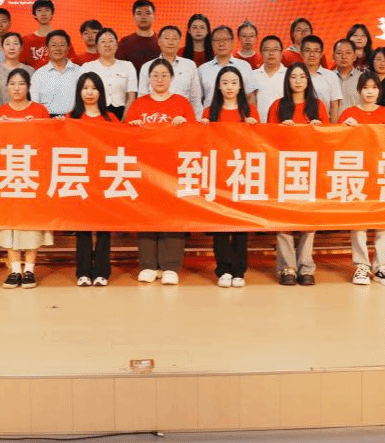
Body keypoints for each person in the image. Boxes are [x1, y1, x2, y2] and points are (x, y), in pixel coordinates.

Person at [126, 58, 196, 285]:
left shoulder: (181, 103)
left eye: (164, 75)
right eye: (155, 75)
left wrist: (185, 125)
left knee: (172, 216)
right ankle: (148, 265)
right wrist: (133, 128)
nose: (159, 79)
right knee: (146, 216)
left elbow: (195, 136)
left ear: (172, 78)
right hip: (145, 170)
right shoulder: (139, 105)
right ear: (149, 78)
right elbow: (124, 137)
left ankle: (170, 266)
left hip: (173, 169)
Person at [0, 69, 53, 288]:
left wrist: (36, 127)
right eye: (12, 84)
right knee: (9, 222)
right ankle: (15, 269)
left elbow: (49, 141)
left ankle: (30, 270)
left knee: (31, 222)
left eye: (21, 84)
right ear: (7, 87)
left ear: (29, 87)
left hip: (32, 174)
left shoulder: (39, 110)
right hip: (8, 174)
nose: (17, 88)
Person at [267, 63, 328, 286]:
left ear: (308, 80)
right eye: (294, 77)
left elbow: (329, 138)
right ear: (287, 80)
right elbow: (266, 139)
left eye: (302, 76)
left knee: (308, 221)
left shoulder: (317, 106)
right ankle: (287, 267)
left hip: (310, 170)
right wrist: (281, 130)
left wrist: (318, 128)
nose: (299, 81)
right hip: (283, 169)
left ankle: (306, 267)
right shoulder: (277, 105)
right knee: (284, 220)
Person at [341, 72, 385, 286]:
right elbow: (336, 142)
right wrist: (343, 127)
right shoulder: (349, 113)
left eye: (374, 88)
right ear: (359, 90)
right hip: (358, 173)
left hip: (381, 172)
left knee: (384, 219)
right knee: (359, 220)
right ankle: (362, 266)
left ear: (379, 91)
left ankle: (382, 265)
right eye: (365, 87)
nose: (369, 92)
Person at [200, 66, 257, 288]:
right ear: (218, 87)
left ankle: (239, 270)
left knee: (240, 225)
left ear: (240, 86)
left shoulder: (249, 111)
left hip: (242, 173)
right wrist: (202, 128)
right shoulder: (209, 112)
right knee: (220, 225)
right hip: (218, 174)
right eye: (225, 83)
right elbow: (202, 142)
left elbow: (259, 143)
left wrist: (254, 128)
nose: (229, 87)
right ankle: (223, 269)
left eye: (234, 82)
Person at [68, 72, 118, 286]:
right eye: (85, 88)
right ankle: (83, 271)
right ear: (79, 92)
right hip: (80, 179)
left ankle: (101, 271)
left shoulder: (110, 118)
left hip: (104, 180)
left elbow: (121, 145)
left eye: (94, 88)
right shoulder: (71, 117)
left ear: (101, 92)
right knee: (83, 228)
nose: (89, 92)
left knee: (104, 228)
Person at [137, 25, 203, 118]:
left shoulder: (189, 65)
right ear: (159, 42)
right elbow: (142, 97)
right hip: (156, 118)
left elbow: (195, 98)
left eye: (174, 39)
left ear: (180, 42)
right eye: (167, 38)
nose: (171, 42)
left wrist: (196, 121)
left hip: (182, 118)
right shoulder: (147, 67)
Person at [80, 27, 137, 120]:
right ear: (97, 46)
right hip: (95, 115)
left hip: (122, 114)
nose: (107, 45)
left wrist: (124, 119)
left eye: (111, 41)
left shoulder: (128, 66)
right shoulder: (87, 67)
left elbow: (131, 96)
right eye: (103, 42)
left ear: (117, 45)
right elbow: (81, 95)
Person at [197, 25, 258, 113]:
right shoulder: (202, 69)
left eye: (225, 40)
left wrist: (250, 117)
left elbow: (250, 97)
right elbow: (198, 99)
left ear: (232, 42)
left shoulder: (244, 66)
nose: (221, 44)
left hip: (238, 118)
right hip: (210, 118)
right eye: (217, 40)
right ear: (212, 43)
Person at [29, 30, 81, 116]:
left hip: (73, 120)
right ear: (47, 48)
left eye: (62, 45)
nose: (58, 48)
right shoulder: (39, 74)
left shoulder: (79, 71)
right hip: (47, 120)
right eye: (53, 45)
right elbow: (35, 104)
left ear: (68, 48)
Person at [0, 32, 36, 113]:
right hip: (1, 117)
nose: (11, 48)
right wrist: (0, 115)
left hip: (26, 117)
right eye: (7, 44)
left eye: (15, 44)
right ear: (2, 48)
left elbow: (34, 98)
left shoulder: (30, 71)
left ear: (21, 47)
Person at [21, 0, 76, 69]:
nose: (43, 14)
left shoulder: (62, 38)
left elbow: (72, 61)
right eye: (39, 10)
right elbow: (21, 65)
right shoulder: (26, 40)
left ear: (52, 14)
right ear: (34, 15)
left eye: (47, 10)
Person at [301, 35, 341, 123]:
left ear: (321, 54)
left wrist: (333, 128)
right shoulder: (294, 76)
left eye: (316, 51)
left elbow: (334, 106)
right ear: (301, 53)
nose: (312, 54)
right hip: (299, 125)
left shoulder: (331, 76)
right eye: (308, 50)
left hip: (324, 124)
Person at [115, 0, 160, 72]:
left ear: (154, 16)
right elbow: (119, 71)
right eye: (139, 13)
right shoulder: (124, 43)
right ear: (134, 17)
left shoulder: (162, 42)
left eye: (148, 13)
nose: (143, 17)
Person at [252, 35, 286, 122]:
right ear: (261, 53)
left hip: (283, 125)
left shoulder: (289, 75)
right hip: (259, 125)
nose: (271, 53)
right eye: (267, 50)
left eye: (275, 49)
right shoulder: (253, 75)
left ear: (281, 53)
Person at [332, 38, 361, 115]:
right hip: (331, 122)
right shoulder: (327, 78)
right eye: (339, 53)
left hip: (356, 121)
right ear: (333, 56)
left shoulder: (363, 78)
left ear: (354, 56)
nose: (344, 56)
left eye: (348, 53)